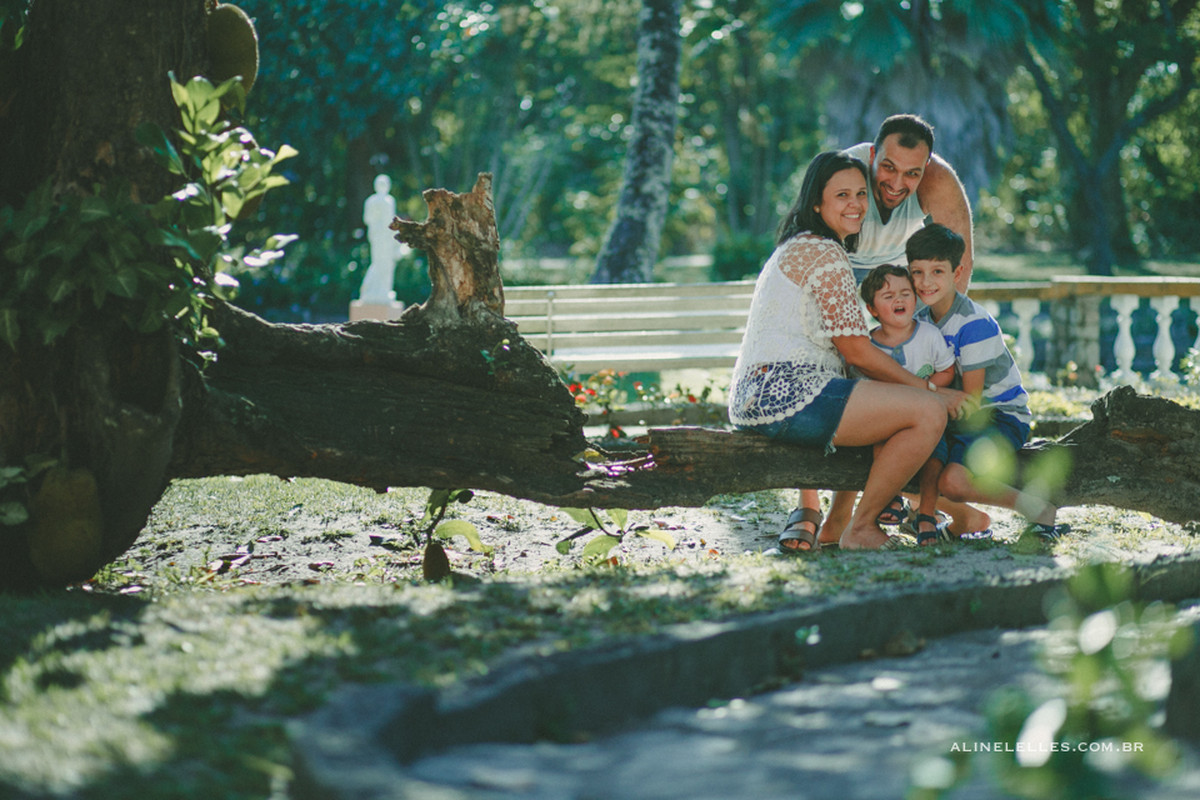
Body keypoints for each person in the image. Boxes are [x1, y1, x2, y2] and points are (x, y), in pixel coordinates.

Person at [728, 151, 968, 552]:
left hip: (760, 394)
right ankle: (862, 527)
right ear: (817, 203)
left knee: (888, 403)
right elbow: (856, 351)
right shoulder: (824, 253)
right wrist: (932, 391)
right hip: (786, 394)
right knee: (927, 413)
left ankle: (843, 522)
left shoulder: (802, 246)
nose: (855, 205)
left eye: (861, 194)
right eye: (842, 195)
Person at [908, 224, 1071, 540]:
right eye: (917, 272)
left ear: (957, 273)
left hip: (997, 415)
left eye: (937, 271)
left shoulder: (973, 323)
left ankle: (1039, 509)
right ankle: (964, 519)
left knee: (951, 481)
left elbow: (971, 401)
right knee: (900, 457)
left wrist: (924, 393)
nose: (925, 282)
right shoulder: (921, 320)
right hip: (950, 413)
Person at [855, 264, 957, 545]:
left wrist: (931, 393)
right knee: (880, 442)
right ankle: (891, 499)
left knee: (935, 457)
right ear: (873, 309)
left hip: (928, 420)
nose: (898, 300)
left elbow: (947, 371)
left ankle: (926, 515)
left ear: (915, 298)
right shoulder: (869, 346)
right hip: (886, 421)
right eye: (888, 297)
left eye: (905, 293)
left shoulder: (928, 335)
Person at [844, 113, 975, 292]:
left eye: (912, 173)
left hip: (903, 262)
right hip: (842, 261)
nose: (896, 185)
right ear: (872, 155)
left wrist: (948, 318)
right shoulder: (844, 170)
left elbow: (959, 257)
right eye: (889, 167)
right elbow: (807, 237)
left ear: (925, 167)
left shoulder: (937, 178)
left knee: (940, 314)